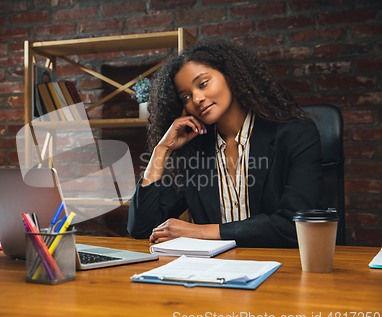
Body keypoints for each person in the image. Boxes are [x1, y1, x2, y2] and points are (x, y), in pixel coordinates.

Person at [127, 39, 323, 248]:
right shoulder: (195, 152)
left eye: (203, 84)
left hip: (282, 268)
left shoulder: (295, 133)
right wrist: (161, 150)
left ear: (231, 76)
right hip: (215, 271)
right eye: (186, 97)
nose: (197, 98)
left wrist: (201, 232)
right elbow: (142, 228)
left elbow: (296, 225)